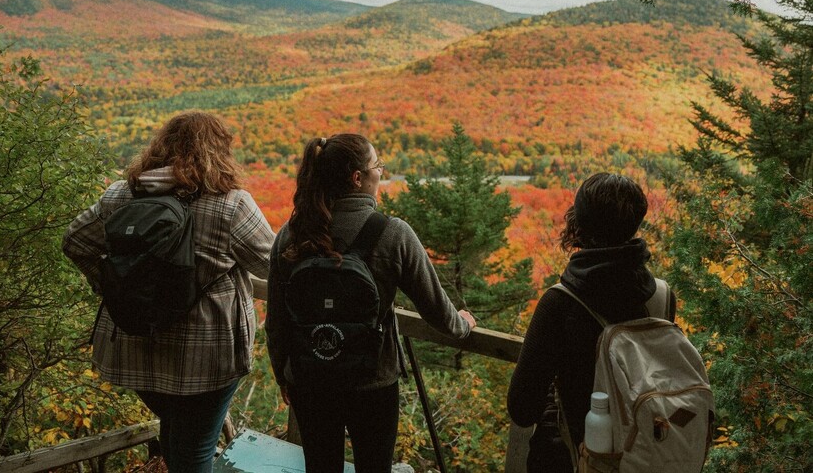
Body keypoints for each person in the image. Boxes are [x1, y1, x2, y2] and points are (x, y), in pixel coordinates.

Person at [63, 111, 274, 473]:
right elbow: (273, 266)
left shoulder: (120, 196)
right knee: (194, 451)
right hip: (207, 357)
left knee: (178, 433)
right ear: (218, 152)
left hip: (136, 349)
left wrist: (111, 283)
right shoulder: (230, 205)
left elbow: (75, 241)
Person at [265, 134, 476, 473]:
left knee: (320, 467)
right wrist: (463, 325)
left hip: (310, 377)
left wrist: (283, 374)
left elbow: (277, 321)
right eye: (378, 166)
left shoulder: (290, 235)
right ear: (358, 178)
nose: (382, 172)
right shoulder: (393, 233)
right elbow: (436, 309)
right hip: (373, 380)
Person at [506, 173, 676, 473]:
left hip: (570, 458)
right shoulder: (661, 297)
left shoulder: (559, 304)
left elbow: (522, 409)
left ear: (578, 224)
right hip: (643, 452)